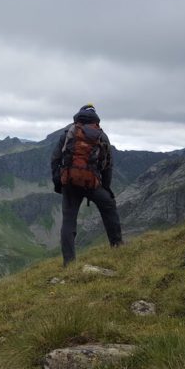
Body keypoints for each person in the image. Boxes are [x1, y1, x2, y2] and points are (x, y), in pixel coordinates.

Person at [50, 104, 123, 266]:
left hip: (69, 183)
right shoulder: (101, 135)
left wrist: (58, 183)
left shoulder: (68, 133)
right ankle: (117, 246)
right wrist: (105, 187)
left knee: (68, 221)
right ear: (95, 117)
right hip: (92, 183)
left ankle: (69, 263)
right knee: (109, 207)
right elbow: (107, 165)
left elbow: (55, 159)